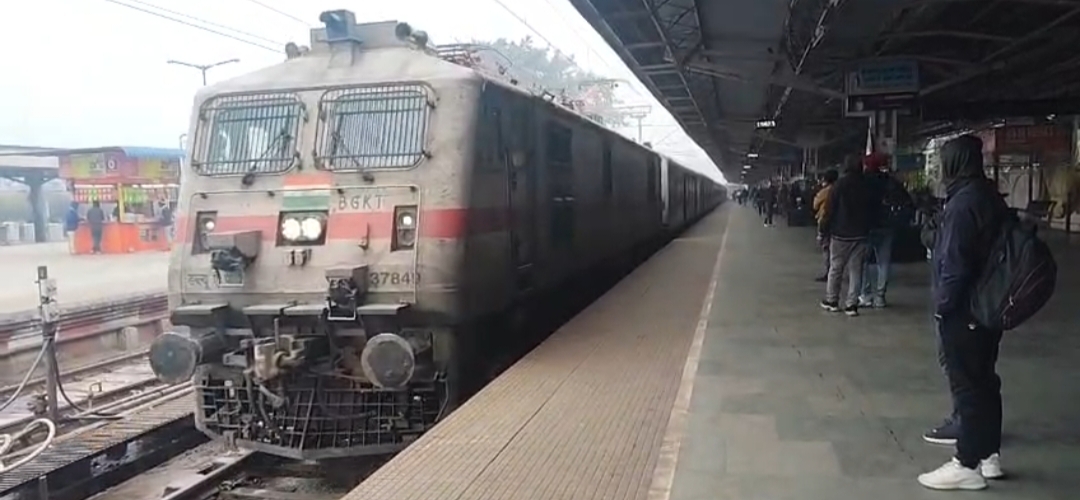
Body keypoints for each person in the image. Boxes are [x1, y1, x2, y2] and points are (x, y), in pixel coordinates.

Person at [917, 134, 1008, 491]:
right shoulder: (988, 196)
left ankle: (966, 463)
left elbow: (955, 264)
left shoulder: (962, 204)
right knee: (985, 382)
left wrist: (943, 306)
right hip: (989, 305)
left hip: (965, 309)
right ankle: (988, 456)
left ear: (953, 163)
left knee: (968, 387)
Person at [818, 155, 871, 316]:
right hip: (860, 234)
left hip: (840, 234)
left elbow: (829, 210)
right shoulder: (866, 185)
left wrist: (823, 230)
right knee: (856, 270)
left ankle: (832, 301)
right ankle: (851, 305)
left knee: (836, 268)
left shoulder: (839, 185)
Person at [859, 153, 915, 308]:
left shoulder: (862, 182)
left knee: (862, 262)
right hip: (887, 226)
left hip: (867, 227)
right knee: (883, 263)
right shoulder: (890, 182)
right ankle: (880, 297)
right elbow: (907, 201)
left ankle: (865, 294)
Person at [813, 170, 839, 282]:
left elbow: (815, 205)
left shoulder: (825, 191)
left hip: (825, 221)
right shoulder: (839, 189)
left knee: (826, 248)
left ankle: (829, 272)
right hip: (838, 222)